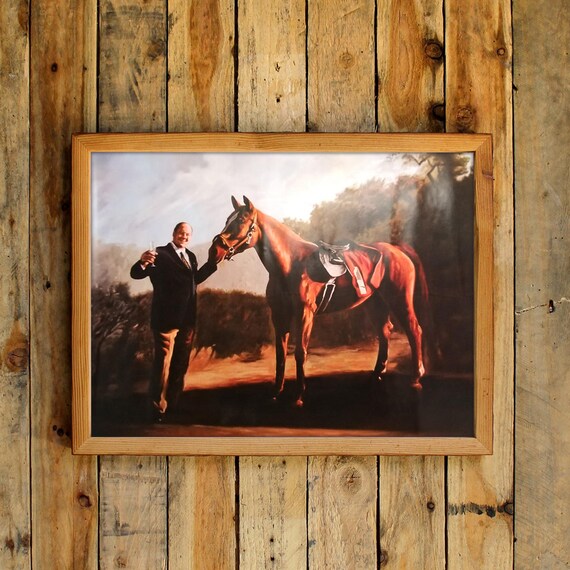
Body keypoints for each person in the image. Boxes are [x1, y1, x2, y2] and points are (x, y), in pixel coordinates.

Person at [130, 222, 217, 418]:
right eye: (181, 233)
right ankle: (156, 408)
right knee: (163, 365)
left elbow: (194, 280)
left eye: (187, 234)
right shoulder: (160, 254)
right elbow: (136, 273)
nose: (184, 237)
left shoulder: (191, 256)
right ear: (174, 233)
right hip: (165, 319)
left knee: (180, 364)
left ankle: (173, 406)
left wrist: (212, 264)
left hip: (187, 320)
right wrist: (142, 261)